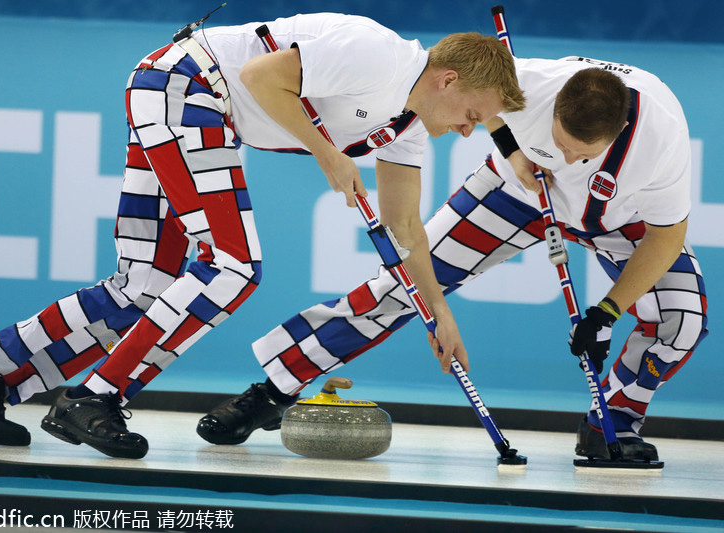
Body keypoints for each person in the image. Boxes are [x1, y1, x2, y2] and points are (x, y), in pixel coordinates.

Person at [0, 13, 524, 459]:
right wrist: (324, 154)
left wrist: (439, 310)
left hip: (187, 102)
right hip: (184, 86)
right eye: (476, 114)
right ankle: (97, 397)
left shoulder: (408, 129)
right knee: (232, 267)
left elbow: (407, 229)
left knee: (146, 286)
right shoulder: (378, 55)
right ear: (448, 80)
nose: (472, 131)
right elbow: (262, 76)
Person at [197, 55, 708, 464]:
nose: (568, 160)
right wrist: (513, 152)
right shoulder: (525, 81)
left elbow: (666, 238)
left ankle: (611, 425)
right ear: (549, 107)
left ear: (617, 133)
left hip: (626, 220)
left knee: (681, 320)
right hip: (517, 195)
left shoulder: (661, 139)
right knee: (405, 286)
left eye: (581, 154)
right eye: (559, 144)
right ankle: (271, 391)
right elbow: (473, 102)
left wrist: (607, 312)